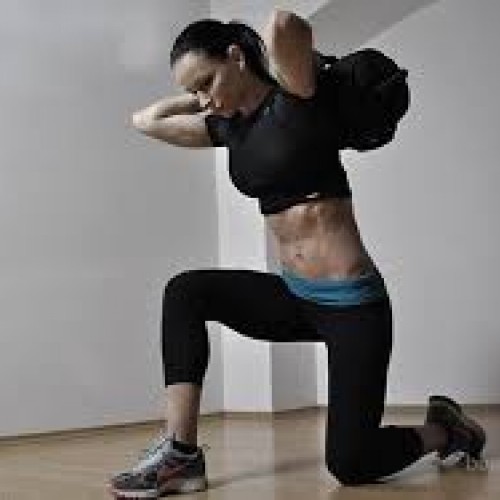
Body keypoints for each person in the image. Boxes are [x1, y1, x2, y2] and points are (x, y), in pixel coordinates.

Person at [109, 10, 486, 498]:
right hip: (295, 299)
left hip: (353, 307)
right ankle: (181, 454)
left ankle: (446, 431)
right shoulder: (228, 129)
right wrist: (205, 92)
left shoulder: (298, 96)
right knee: (185, 292)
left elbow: (283, 23)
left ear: (236, 56)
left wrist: (257, 62)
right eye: (195, 91)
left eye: (206, 81)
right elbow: (145, 122)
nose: (203, 99)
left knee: (351, 463)